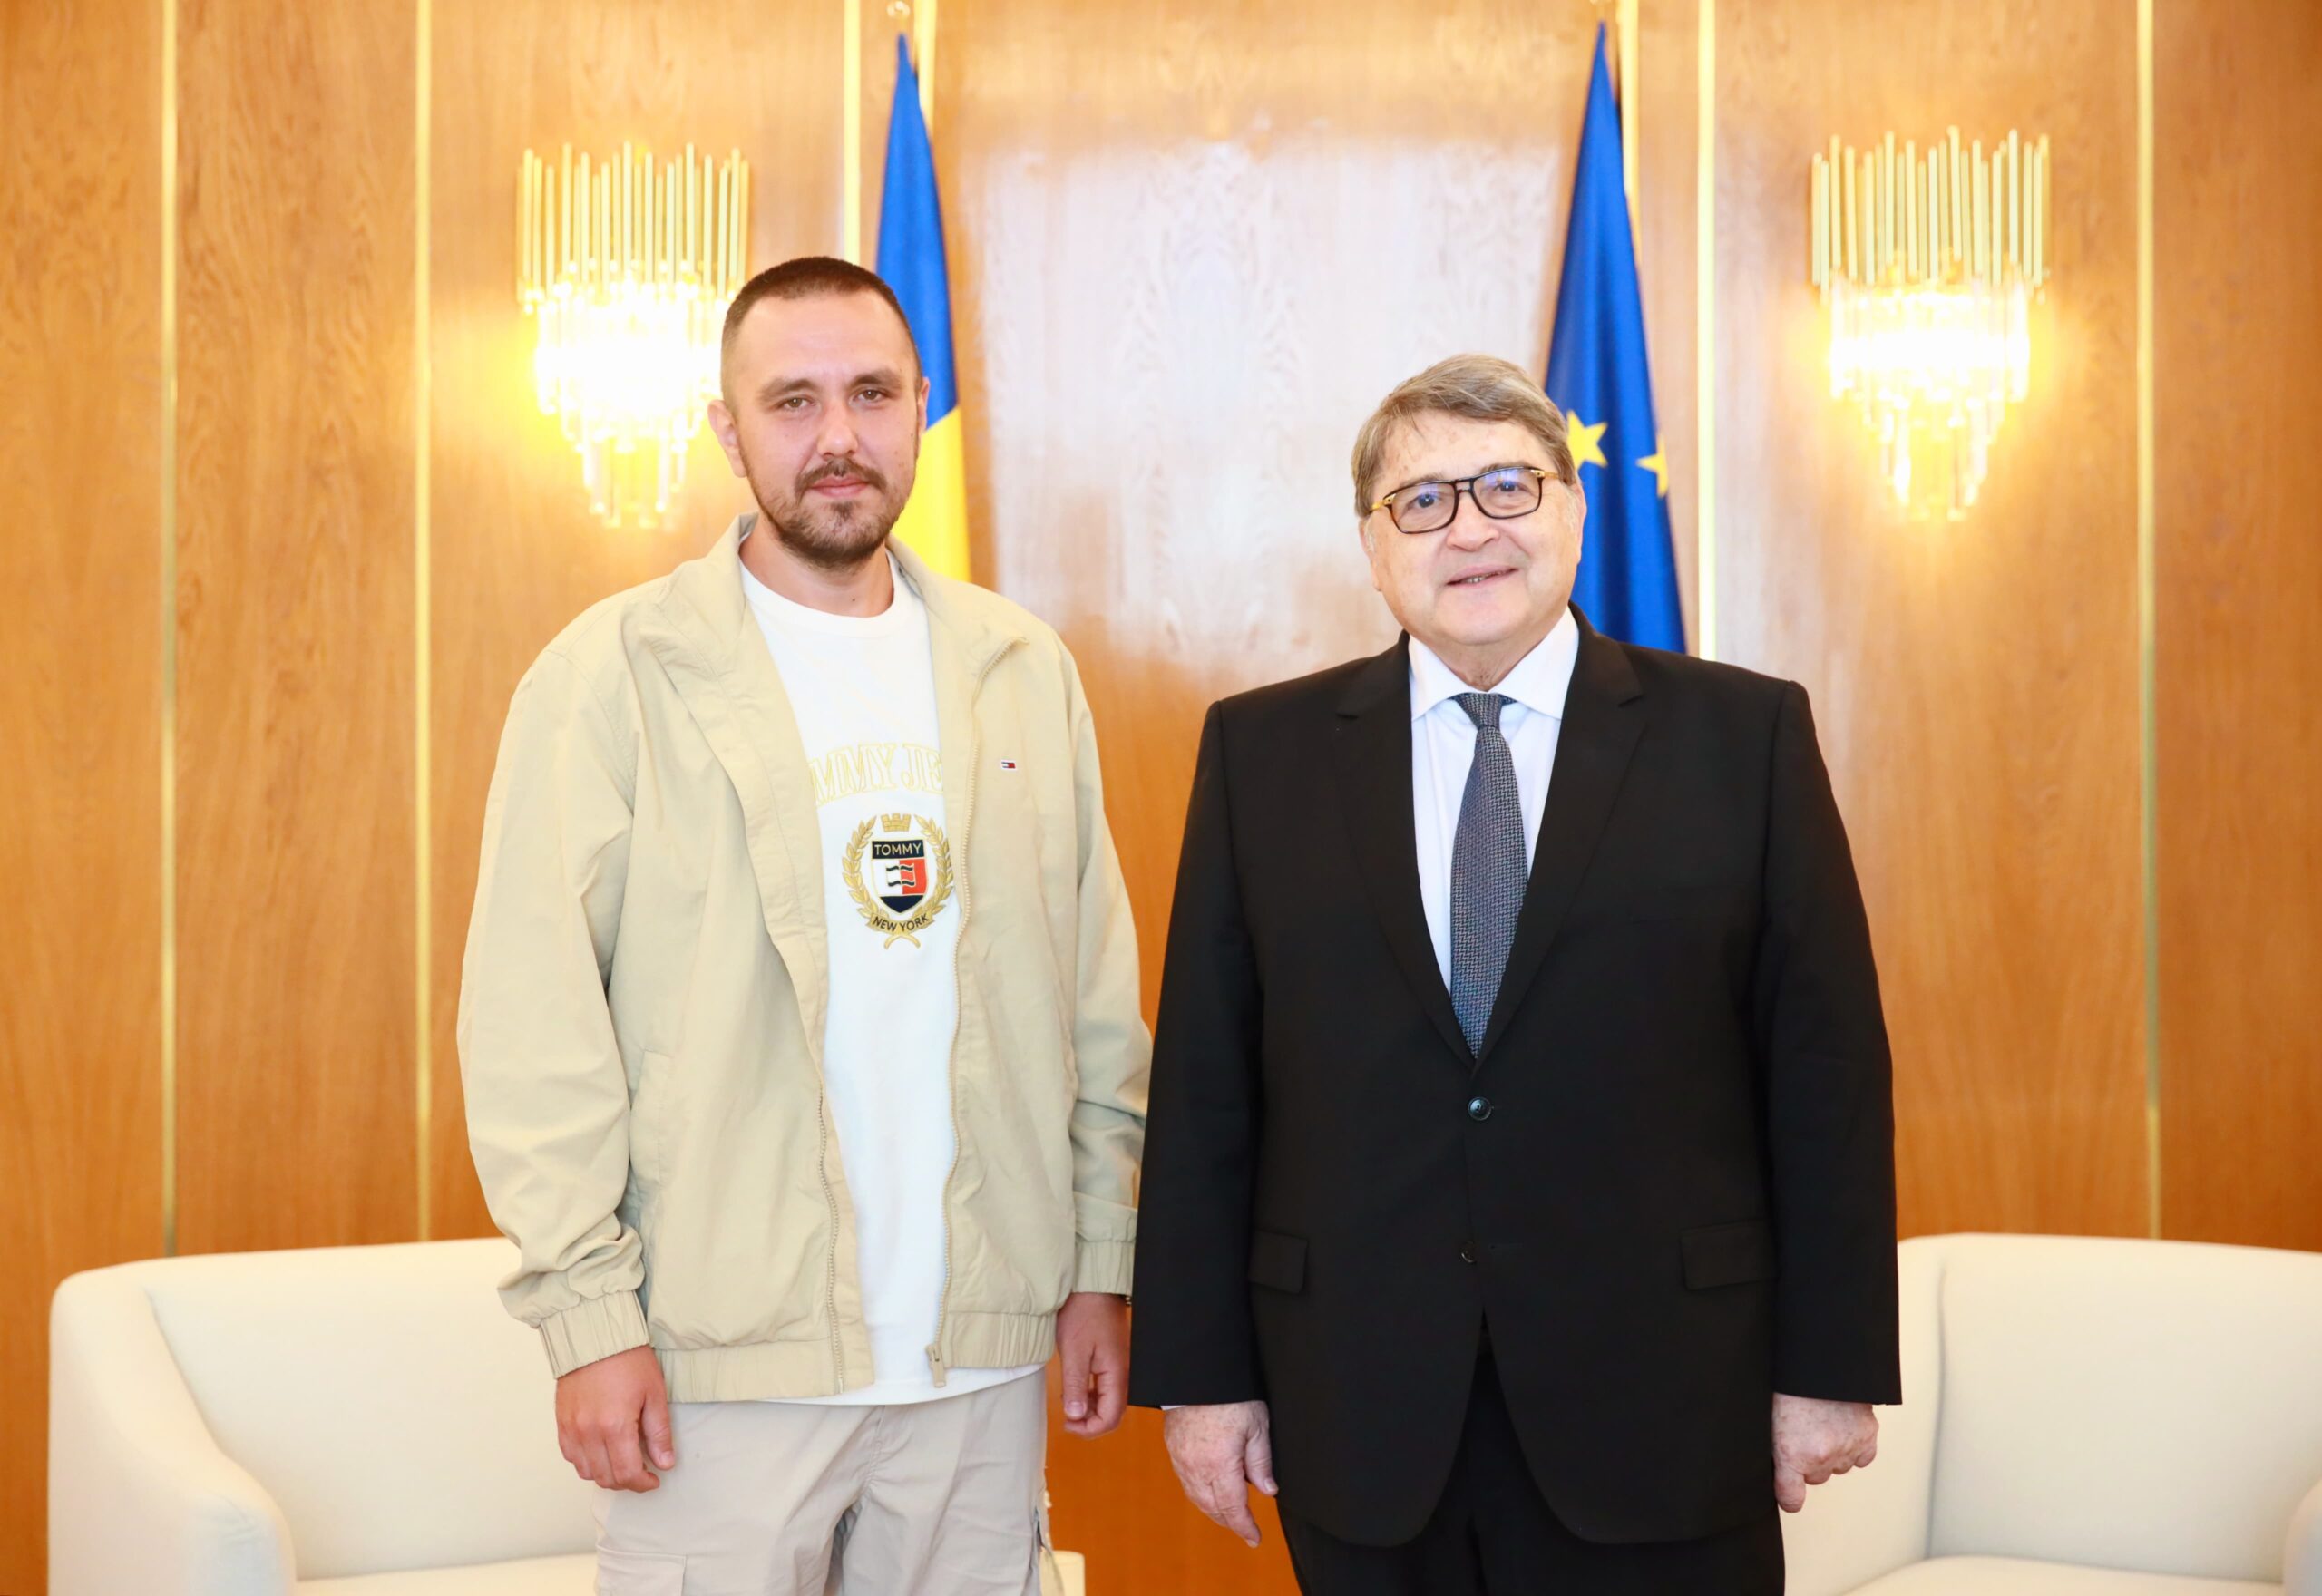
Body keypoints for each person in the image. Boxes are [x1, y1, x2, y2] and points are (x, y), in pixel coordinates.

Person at [1127, 353, 1898, 1593]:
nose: (1471, 529)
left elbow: (1827, 1073)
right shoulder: (1262, 754)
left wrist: (1830, 1364)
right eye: (1422, 500)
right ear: (1373, 548)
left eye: (1507, 486)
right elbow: (1207, 1089)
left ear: (1574, 510)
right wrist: (1203, 1379)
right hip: (1362, 1407)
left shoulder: (1742, 738)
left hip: (1666, 1400)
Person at [459, 256, 1147, 1595]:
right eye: (792, 402)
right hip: (721, 1365)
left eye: (871, 394)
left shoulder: (1022, 669)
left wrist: (1095, 1266)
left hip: (979, 1355)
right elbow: (533, 1027)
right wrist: (587, 1320)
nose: (838, 436)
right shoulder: (611, 674)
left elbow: (1094, 1005)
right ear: (728, 429)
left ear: (918, 408)